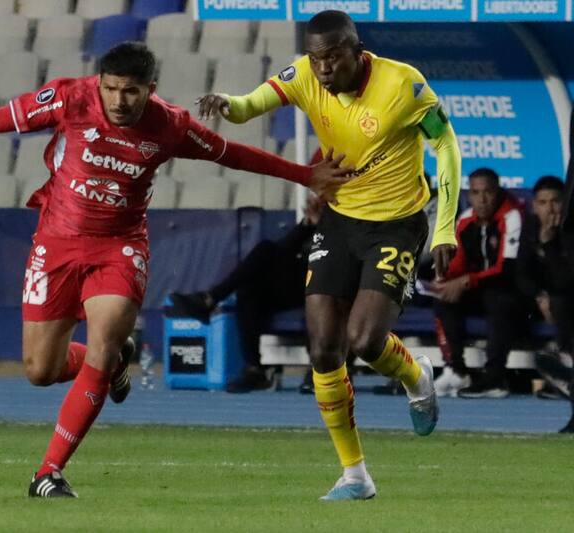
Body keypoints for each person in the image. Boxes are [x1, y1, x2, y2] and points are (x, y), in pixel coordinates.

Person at [0, 42, 353, 499]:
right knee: (41, 370)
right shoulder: (68, 99)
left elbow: (234, 155)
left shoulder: (171, 126)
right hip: (55, 245)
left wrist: (305, 174)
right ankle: (116, 363)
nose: (120, 100)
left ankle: (48, 472)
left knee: (104, 335)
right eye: (111, 88)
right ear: (99, 83)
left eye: (132, 91)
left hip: (118, 249)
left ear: (151, 88)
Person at [197, 10, 461, 500]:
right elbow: (250, 104)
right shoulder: (303, 75)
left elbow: (445, 145)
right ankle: (354, 475)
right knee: (322, 348)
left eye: (333, 56)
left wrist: (444, 225)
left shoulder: (404, 85)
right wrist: (225, 103)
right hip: (340, 222)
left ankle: (415, 375)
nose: (322, 68)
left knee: (364, 339)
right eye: (316, 57)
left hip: (397, 224)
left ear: (356, 51)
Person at [168, 193, 322, 394]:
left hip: (327, 280)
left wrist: (322, 225)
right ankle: (254, 369)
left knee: (265, 250)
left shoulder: (349, 218)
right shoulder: (313, 224)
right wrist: (309, 223)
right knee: (250, 288)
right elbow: (285, 248)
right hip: (299, 283)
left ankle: (210, 299)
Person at [432, 168, 524, 399]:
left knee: (498, 299)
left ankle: (495, 377)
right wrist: (443, 280)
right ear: (468, 194)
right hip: (480, 289)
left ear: (498, 191)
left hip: (514, 292)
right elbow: (458, 265)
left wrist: (465, 281)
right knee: (445, 299)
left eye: (488, 192)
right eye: (476, 193)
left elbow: (507, 270)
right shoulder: (465, 221)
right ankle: (456, 368)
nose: (482, 199)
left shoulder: (512, 216)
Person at [516, 176, 574, 431]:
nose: (550, 209)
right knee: (503, 301)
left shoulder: (568, 230)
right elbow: (521, 273)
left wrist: (550, 242)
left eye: (556, 201)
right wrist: (539, 296)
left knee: (563, 302)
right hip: (539, 300)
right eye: (543, 202)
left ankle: (566, 362)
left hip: (564, 299)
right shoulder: (529, 227)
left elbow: (565, 279)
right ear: (534, 205)